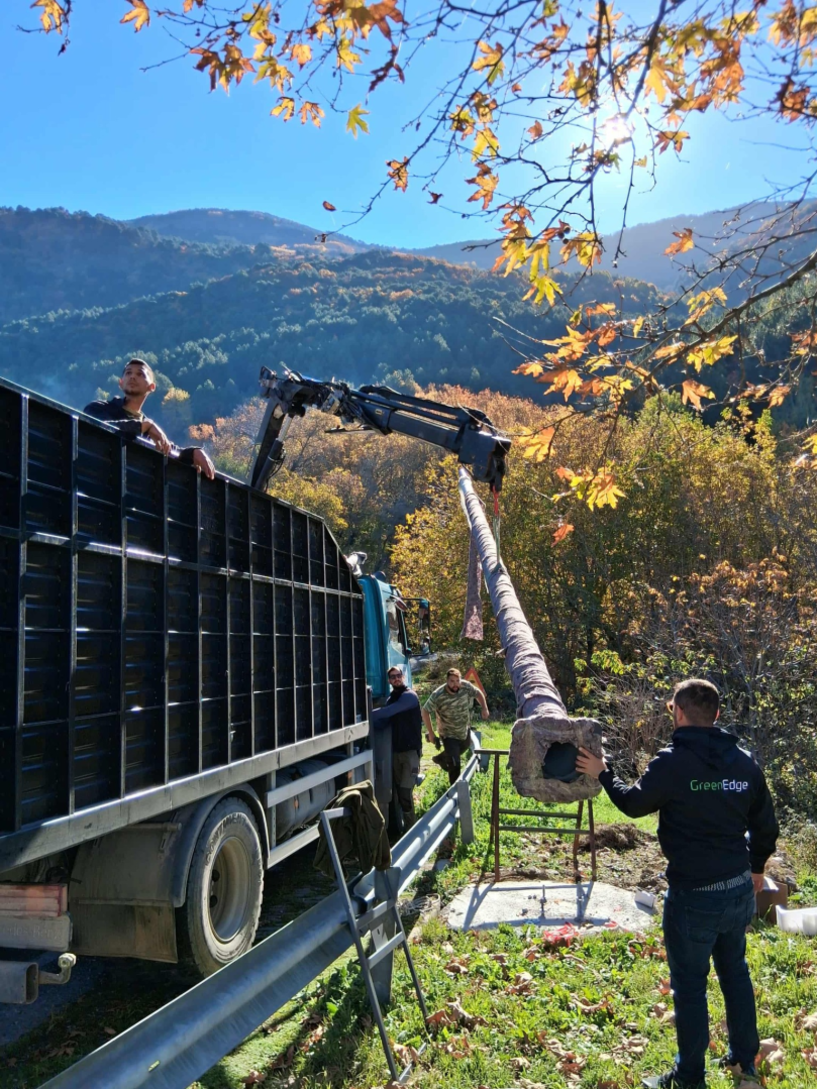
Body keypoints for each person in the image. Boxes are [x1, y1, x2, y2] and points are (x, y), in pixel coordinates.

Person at [576, 679, 779, 1089]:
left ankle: (690, 1078)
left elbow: (634, 805)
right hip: (738, 888)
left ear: (678, 713)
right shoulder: (744, 763)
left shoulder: (671, 763)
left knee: (690, 988)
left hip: (694, 897)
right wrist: (756, 868)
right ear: (717, 715)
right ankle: (745, 1065)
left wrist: (602, 773)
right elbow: (766, 826)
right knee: (735, 973)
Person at [84, 358, 215, 479]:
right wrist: (142, 426)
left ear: (152, 387)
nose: (133, 377)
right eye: (128, 373)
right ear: (121, 382)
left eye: (140, 374)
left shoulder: (150, 432)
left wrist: (193, 453)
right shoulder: (98, 408)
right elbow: (96, 427)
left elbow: (170, 449)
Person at [370, 667, 423, 827]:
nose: (396, 679)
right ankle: (405, 827)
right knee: (399, 792)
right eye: (393, 677)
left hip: (410, 753)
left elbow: (388, 712)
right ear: (389, 681)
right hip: (396, 752)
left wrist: (366, 713)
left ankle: (411, 828)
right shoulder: (391, 698)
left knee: (405, 792)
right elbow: (384, 721)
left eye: (398, 676)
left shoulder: (409, 696)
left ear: (403, 676)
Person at [422, 667, 489, 784]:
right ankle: (455, 791)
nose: (455, 684)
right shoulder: (438, 694)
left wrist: (484, 708)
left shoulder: (466, 686)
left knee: (465, 746)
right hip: (448, 733)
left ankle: (442, 758)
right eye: (452, 681)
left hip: (463, 729)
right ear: (447, 681)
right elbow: (425, 711)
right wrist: (431, 733)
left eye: (457, 681)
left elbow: (478, 693)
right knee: (455, 762)